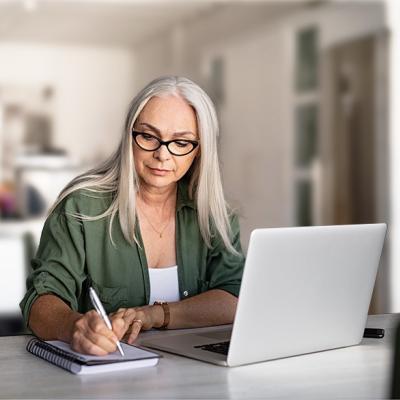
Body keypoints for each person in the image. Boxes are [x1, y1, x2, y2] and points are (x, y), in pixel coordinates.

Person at [20, 76, 245, 356]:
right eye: (149, 136)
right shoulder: (80, 206)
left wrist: (154, 314)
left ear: (200, 150)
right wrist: (73, 326)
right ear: (130, 136)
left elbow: (235, 298)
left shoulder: (214, 214)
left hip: (196, 373)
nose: (162, 155)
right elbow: (40, 301)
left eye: (181, 142)